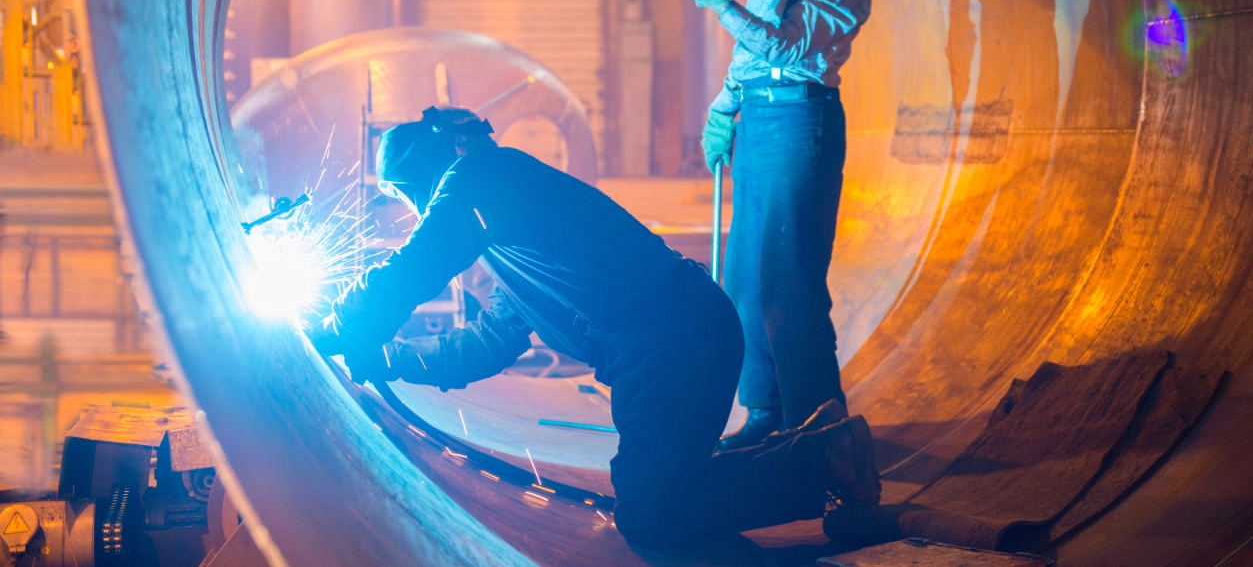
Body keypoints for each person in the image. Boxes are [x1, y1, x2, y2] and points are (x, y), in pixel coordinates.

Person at [306, 107, 880, 549]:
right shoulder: (513, 244)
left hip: (676, 343)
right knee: (665, 490)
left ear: (435, 166)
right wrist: (388, 359)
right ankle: (815, 443)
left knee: (651, 515)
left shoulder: (483, 176)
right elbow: (482, 346)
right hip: (670, 347)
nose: (415, 208)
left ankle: (824, 460)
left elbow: (413, 266)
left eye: (410, 193)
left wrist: (335, 325)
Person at [667, 0, 872, 450]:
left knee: (790, 279)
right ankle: (765, 413)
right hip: (757, 117)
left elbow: (785, 45)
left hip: (798, 121)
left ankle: (815, 425)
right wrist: (725, 107)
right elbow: (751, 49)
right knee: (745, 281)